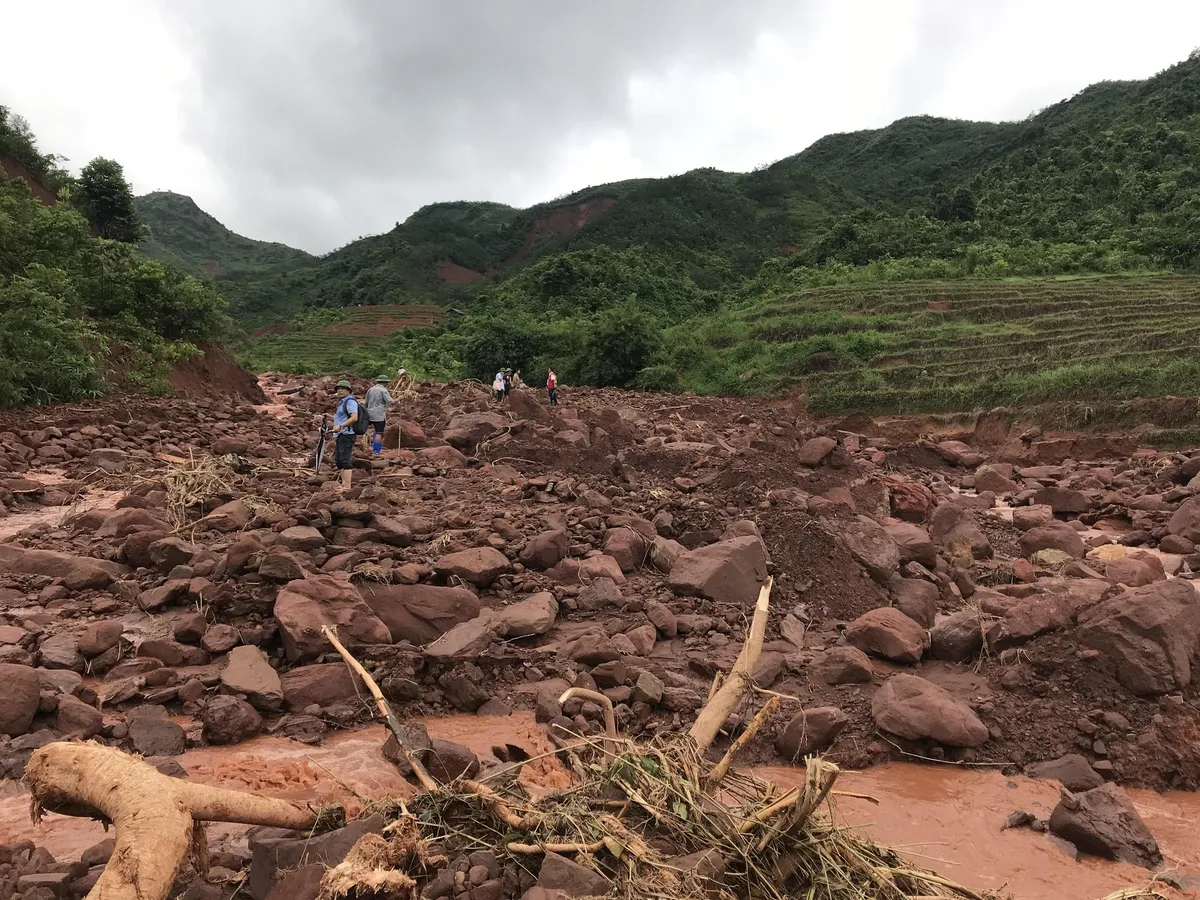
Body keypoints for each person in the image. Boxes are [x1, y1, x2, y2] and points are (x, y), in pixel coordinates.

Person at [332, 379, 360, 491]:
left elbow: (354, 417)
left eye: (343, 388)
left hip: (347, 434)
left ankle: (347, 486)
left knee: (345, 459)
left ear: (349, 390)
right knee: (339, 460)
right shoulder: (342, 402)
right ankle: (343, 484)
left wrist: (341, 426)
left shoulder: (350, 402)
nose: (340, 390)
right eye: (338, 389)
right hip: (340, 434)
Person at [364, 375, 394, 454]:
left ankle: (363, 447)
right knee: (379, 432)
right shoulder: (383, 390)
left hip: (369, 413)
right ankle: (376, 451)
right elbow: (391, 402)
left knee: (364, 430)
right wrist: (400, 398)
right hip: (379, 415)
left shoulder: (370, 389)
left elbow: (365, 403)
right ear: (386, 383)